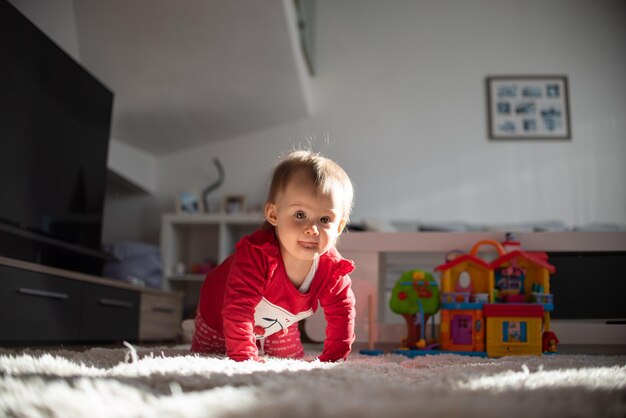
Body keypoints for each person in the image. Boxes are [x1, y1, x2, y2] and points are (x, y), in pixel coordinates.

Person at [191, 150, 356, 362]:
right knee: (208, 357)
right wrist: (244, 356)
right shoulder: (257, 256)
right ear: (273, 215)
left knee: (291, 359)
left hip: (278, 322)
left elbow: (342, 312)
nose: (312, 229)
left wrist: (333, 358)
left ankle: (263, 338)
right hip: (219, 316)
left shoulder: (332, 269)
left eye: (324, 219)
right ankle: (193, 328)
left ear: (340, 226)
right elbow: (237, 308)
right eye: (300, 215)